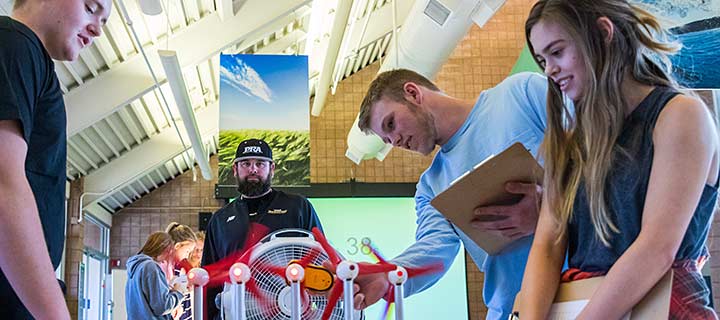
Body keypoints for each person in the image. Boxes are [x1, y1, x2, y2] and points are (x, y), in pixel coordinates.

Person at [518, 1, 719, 319]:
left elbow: (656, 249)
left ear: (602, 32)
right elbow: (547, 244)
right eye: (542, 60)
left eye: (557, 52)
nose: (549, 70)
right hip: (586, 303)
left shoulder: (680, 115)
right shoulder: (570, 141)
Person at [354, 68, 549, 319]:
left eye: (391, 124)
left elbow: (601, 162)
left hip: (581, 290)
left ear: (413, 93)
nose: (396, 141)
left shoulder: (520, 95)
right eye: (387, 140)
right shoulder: (430, 187)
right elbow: (435, 248)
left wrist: (552, 208)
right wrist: (388, 274)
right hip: (512, 310)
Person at [0, 0, 110, 318]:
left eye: (103, 20)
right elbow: (4, 183)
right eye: (91, 8)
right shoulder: (16, 44)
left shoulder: (30, 58)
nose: (98, 29)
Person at [201, 138, 324, 319]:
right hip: (235, 312)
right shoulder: (219, 220)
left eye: (260, 163)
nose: (253, 169)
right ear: (235, 169)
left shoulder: (298, 206)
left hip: (291, 310)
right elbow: (210, 277)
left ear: (272, 168)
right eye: (246, 163)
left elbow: (321, 258)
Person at [126, 231, 189, 320]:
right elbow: (162, 307)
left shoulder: (136, 266)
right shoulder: (151, 267)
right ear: (167, 250)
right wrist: (179, 292)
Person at [164, 222, 196, 320]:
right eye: (187, 251)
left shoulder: (179, 266)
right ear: (177, 246)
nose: (187, 256)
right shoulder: (166, 268)